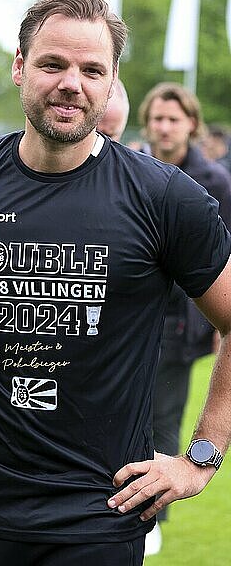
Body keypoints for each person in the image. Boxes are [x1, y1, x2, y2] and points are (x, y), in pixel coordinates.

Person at [0, 0, 231, 566]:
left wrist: (201, 458)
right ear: (19, 67)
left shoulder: (165, 198)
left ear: (111, 84)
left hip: (103, 519)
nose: (72, 83)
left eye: (93, 70)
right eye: (52, 64)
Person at [137, 82, 231, 554]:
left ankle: (152, 512)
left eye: (173, 119)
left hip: (181, 318)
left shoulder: (214, 181)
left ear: (191, 123)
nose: (164, 127)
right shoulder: (131, 168)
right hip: (131, 316)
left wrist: (219, 324)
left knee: (163, 415)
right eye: (157, 118)